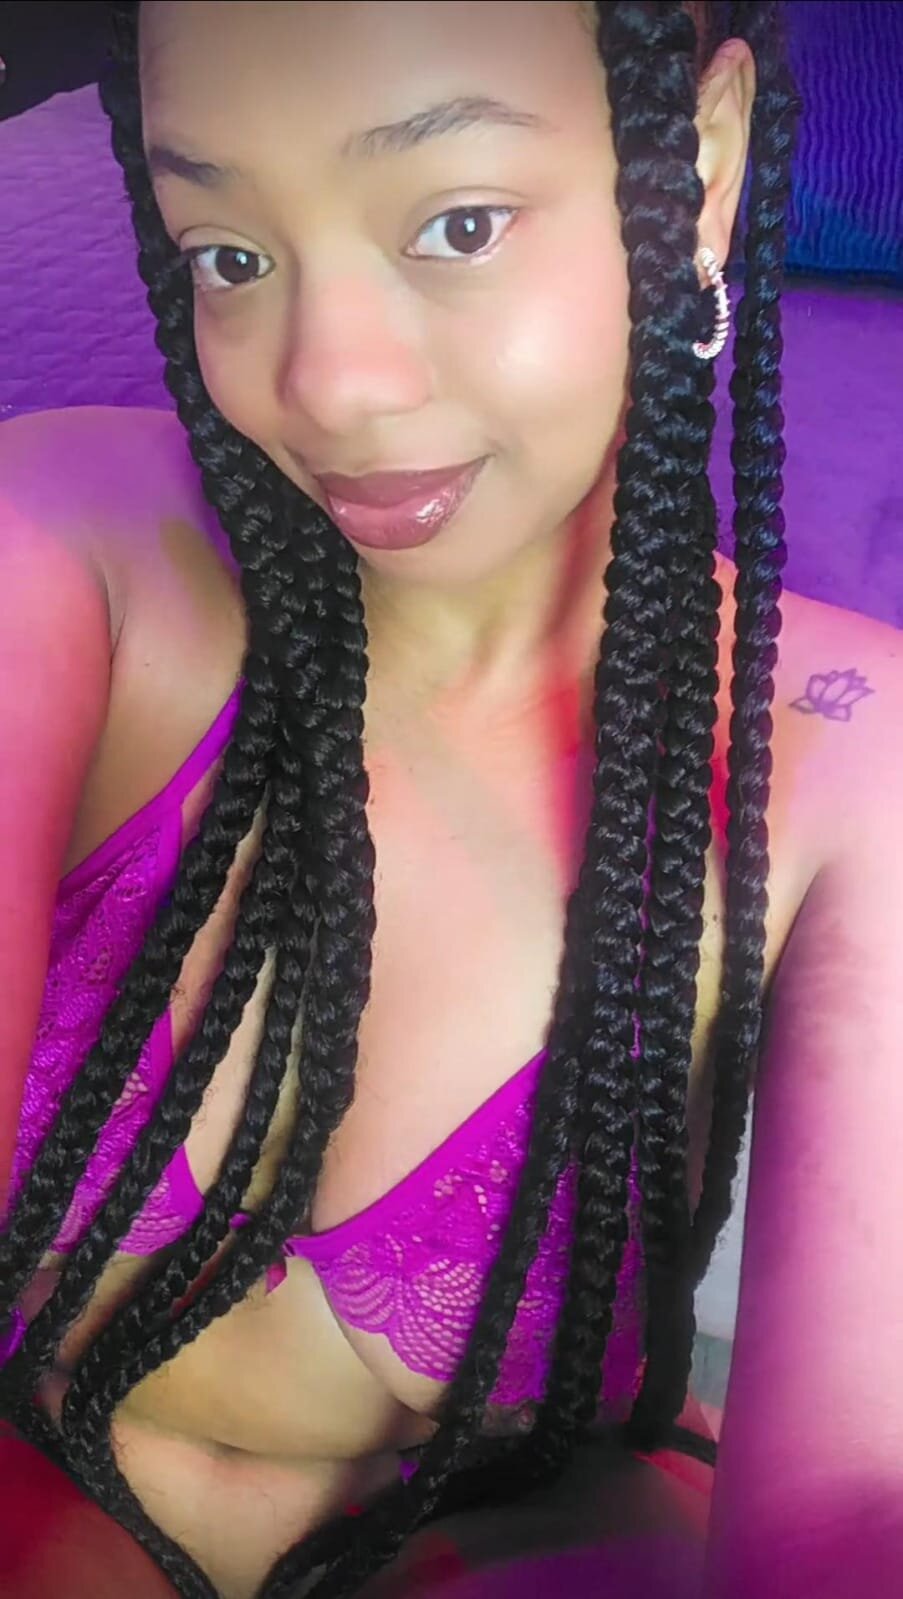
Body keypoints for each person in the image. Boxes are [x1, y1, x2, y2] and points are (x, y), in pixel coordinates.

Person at [1, 3, 901, 1597]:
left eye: (460, 225)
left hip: (515, 1528)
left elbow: (846, 1501)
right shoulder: (63, 544)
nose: (329, 386)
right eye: (230, 255)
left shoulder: (848, 760)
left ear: (696, 168)